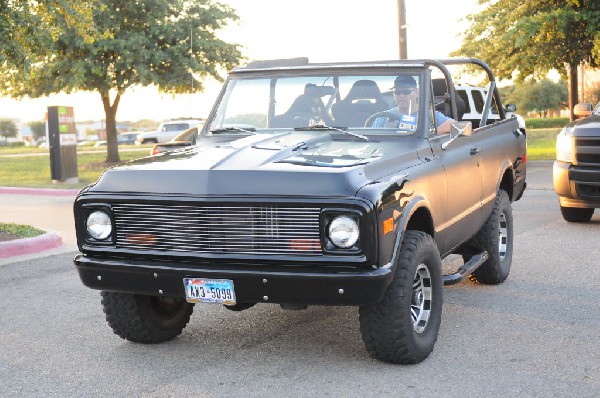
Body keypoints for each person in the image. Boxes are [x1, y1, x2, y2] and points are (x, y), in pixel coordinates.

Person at [371, 75, 454, 134]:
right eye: (397, 92)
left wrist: (429, 133)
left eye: (406, 92)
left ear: (417, 92)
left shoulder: (428, 115)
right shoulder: (383, 117)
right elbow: (372, 141)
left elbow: (455, 125)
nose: (401, 96)